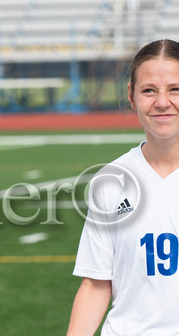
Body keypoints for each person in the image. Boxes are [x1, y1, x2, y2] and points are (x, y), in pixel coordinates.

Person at [67, 39, 179, 335]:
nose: (163, 102)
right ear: (131, 96)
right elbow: (95, 283)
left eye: (175, 89)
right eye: (149, 90)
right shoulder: (111, 181)